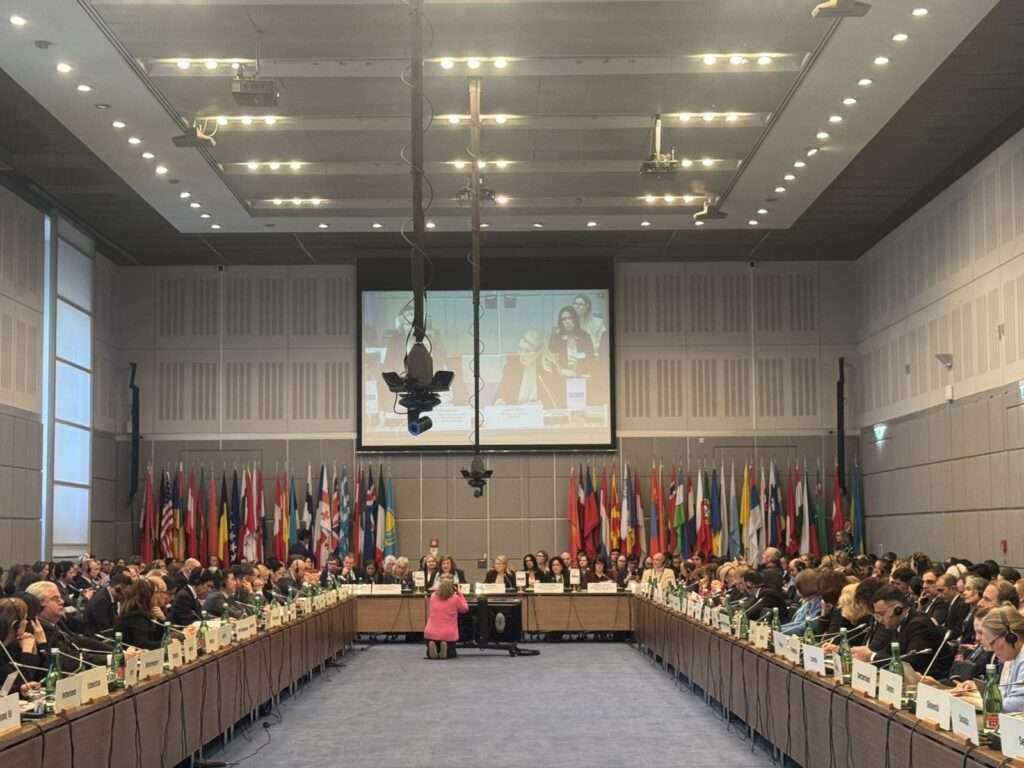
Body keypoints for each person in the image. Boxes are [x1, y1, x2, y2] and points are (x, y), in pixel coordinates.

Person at [852, 584, 954, 678]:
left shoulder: (919, 624)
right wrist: (866, 656)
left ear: (898, 609)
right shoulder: (899, 624)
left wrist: (871, 656)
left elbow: (910, 664)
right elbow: (887, 653)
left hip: (934, 685)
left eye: (882, 614)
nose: (879, 620)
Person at [950, 606, 1024, 712]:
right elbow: (1003, 695)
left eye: (992, 643)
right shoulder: (1012, 657)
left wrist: (977, 702)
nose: (992, 649)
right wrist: (976, 692)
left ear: (1010, 637)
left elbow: (1017, 705)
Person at [494, 330, 563, 408]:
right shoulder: (512, 367)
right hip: (515, 415)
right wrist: (499, 400)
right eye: (520, 349)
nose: (522, 354)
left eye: (527, 351)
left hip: (540, 417)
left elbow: (557, 401)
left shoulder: (548, 370)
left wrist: (539, 405)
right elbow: (501, 392)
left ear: (538, 353)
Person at [0, 597, 44, 697]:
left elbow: (42, 677)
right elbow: (23, 680)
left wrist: (41, 646)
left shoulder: (14, 647)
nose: (27, 622)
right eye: (25, 618)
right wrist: (27, 653)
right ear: (15, 625)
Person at [423, 577, 468, 660]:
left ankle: (432, 648)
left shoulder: (433, 596)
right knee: (453, 653)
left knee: (429, 650)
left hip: (431, 633)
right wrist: (460, 594)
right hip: (448, 634)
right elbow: (464, 609)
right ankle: (446, 650)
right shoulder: (455, 598)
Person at [113, 579, 163, 650]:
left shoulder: (133, 611)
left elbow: (156, 637)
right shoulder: (137, 617)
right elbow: (143, 645)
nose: (158, 596)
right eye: (156, 593)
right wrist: (166, 643)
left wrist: (161, 619)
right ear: (148, 596)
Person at [548, 305, 594, 381]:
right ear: (561, 322)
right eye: (564, 319)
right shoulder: (556, 340)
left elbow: (591, 360)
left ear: (575, 319)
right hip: (561, 380)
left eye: (570, 318)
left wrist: (588, 374)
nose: (567, 321)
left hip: (583, 378)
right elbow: (551, 363)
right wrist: (562, 372)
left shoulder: (585, 337)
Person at [83, 567, 133, 635]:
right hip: (96, 638)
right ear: (118, 589)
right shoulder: (101, 601)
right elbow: (105, 628)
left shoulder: (109, 596)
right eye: (126, 593)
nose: (126, 597)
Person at [781, 569, 822, 636]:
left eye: (797, 588)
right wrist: (777, 629)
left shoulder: (819, 604)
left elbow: (803, 627)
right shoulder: (808, 602)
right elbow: (796, 623)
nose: (796, 591)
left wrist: (779, 631)